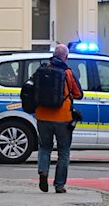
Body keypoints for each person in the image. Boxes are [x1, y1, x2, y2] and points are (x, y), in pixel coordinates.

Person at [35, 45, 83, 194]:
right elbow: (79, 94)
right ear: (66, 57)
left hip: (42, 116)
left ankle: (43, 171)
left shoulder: (42, 69)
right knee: (63, 152)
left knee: (44, 147)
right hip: (63, 118)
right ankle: (59, 185)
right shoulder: (68, 73)